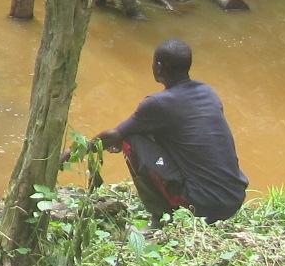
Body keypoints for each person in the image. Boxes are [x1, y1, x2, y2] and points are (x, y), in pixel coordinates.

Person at [96, 38, 248, 224]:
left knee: (130, 139)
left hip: (203, 205)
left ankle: (159, 217)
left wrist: (69, 153)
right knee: (149, 130)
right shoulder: (208, 92)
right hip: (233, 200)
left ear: (158, 66)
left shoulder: (158, 104)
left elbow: (114, 135)